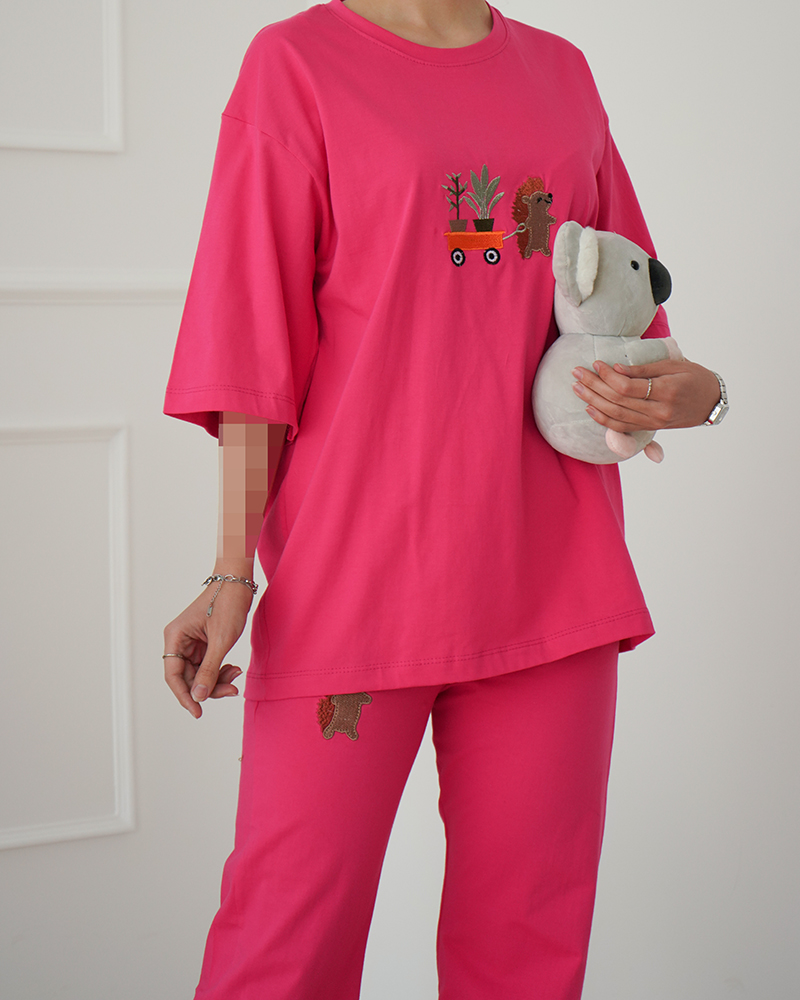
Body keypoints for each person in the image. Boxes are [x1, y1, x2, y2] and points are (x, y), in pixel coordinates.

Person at [162, 2, 726, 997]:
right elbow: (252, 341)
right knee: (283, 946)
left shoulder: (560, 73)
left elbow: (623, 312)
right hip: (351, 590)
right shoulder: (295, 66)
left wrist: (698, 393)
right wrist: (229, 570)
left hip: (549, 588)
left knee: (526, 954)